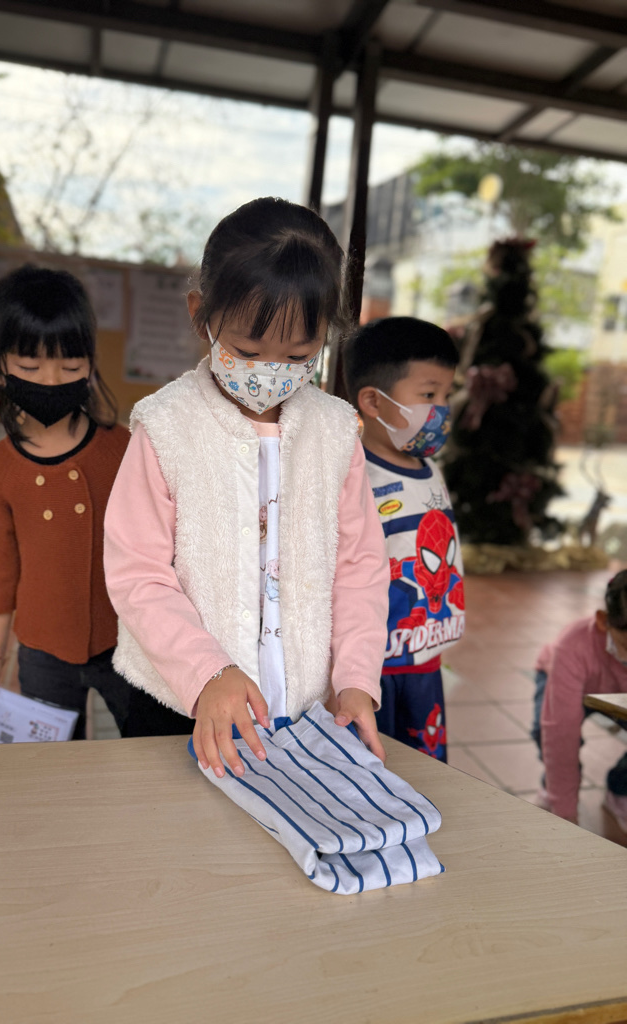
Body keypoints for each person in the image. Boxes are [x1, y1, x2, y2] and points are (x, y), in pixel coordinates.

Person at [103, 196, 390, 776]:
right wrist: (207, 672)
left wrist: (356, 679)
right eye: (248, 351)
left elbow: (359, 566)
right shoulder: (164, 426)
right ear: (201, 315)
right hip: (179, 704)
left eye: (299, 354)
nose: (270, 371)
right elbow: (138, 574)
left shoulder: (337, 432)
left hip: (306, 708)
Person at [0, 264, 133, 740]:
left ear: (91, 365)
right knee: (53, 760)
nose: (50, 380)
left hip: (130, 641)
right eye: (29, 367)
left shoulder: (125, 449)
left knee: (154, 746)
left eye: (70, 367)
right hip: (43, 649)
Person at [343, 317, 464, 762]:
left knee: (426, 772)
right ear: (373, 401)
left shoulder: (432, 470)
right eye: (429, 395)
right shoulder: (354, 475)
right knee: (371, 769)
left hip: (424, 662)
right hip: (372, 672)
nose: (442, 409)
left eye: (447, 395)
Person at [532, 570, 627, 831]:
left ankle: (620, 788)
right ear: (603, 621)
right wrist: (565, 815)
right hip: (566, 678)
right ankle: (553, 786)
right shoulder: (573, 644)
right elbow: (560, 732)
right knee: (545, 730)